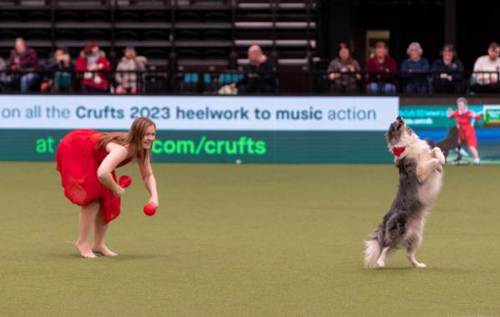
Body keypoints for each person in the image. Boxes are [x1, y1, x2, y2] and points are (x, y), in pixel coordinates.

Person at [55, 117, 160, 258]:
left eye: (152, 134)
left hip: (98, 160)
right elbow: (103, 173)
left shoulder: (142, 149)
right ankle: (82, 242)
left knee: (109, 201)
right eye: (146, 134)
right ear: (137, 134)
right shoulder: (122, 150)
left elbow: (147, 175)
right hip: (78, 148)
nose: (150, 138)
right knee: (93, 197)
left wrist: (154, 197)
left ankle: (98, 244)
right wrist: (116, 188)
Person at [447, 97, 482, 164]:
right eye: (459, 105)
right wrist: (449, 112)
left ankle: (477, 160)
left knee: (471, 147)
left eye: (461, 105)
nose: (460, 106)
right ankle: (460, 154)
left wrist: (476, 115)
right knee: (455, 144)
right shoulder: (456, 112)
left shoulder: (469, 112)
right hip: (460, 132)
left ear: (465, 105)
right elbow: (450, 117)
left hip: (469, 132)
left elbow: (478, 118)